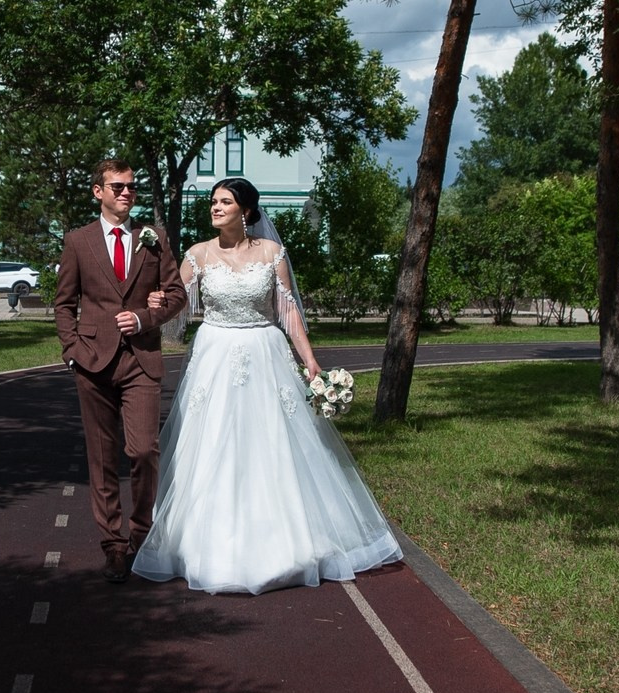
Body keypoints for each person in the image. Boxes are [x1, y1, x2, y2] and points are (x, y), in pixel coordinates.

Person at [132, 177, 402, 594]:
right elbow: (174, 303)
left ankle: (286, 544)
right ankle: (205, 545)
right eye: (213, 202)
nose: (216, 208)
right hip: (216, 355)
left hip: (265, 351)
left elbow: (288, 311)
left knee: (272, 444)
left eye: (225, 202)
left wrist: (310, 360)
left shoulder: (272, 253)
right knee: (212, 444)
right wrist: (154, 302)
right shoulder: (198, 254)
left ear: (246, 210)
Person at [55, 158, 189, 581]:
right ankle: (113, 546)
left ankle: (141, 533)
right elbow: (63, 303)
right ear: (98, 191)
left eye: (131, 187)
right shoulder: (78, 241)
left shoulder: (154, 238)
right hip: (92, 362)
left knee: (144, 451)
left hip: (141, 360)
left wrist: (146, 319)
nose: (126, 193)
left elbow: (177, 294)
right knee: (102, 458)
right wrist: (72, 349)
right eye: (118, 187)